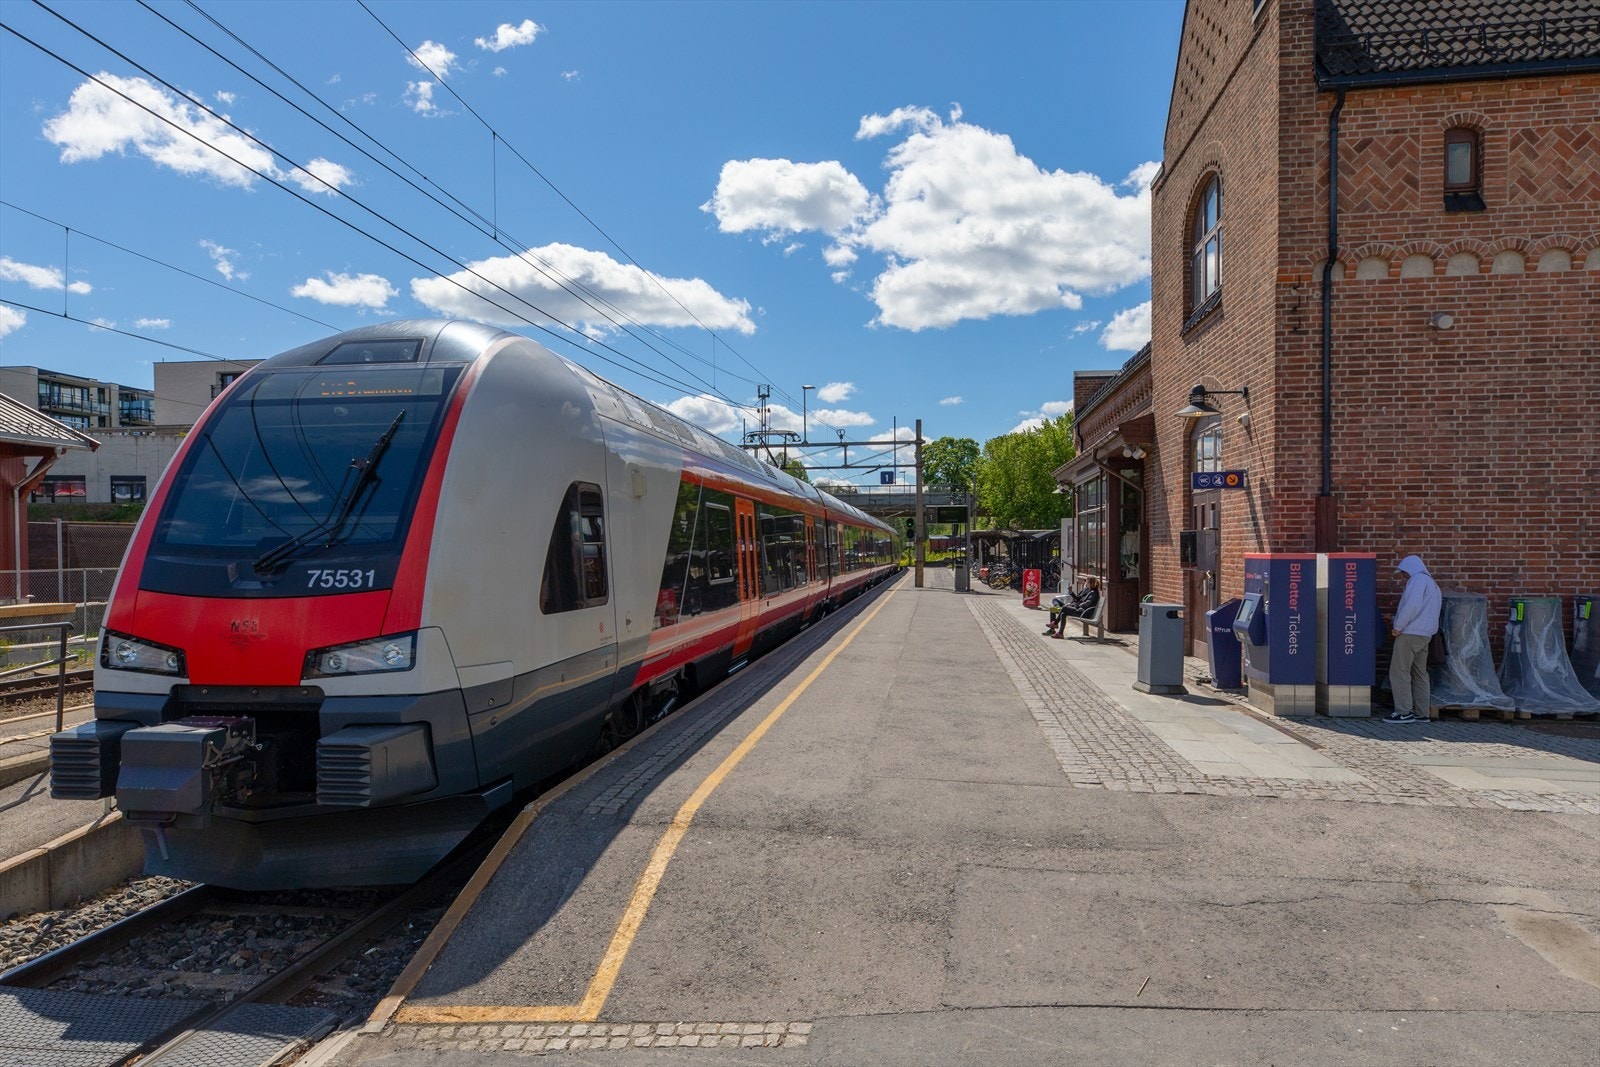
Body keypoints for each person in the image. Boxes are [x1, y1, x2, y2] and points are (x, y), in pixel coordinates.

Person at [1386, 554, 1441, 723]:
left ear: (1410, 569)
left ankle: (1404, 712)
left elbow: (1412, 605)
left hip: (1409, 633)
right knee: (1420, 673)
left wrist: (1397, 626)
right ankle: (1422, 712)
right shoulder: (1433, 584)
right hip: (1425, 635)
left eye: (1403, 572)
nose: (1403, 576)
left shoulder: (1417, 580)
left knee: (1399, 672)